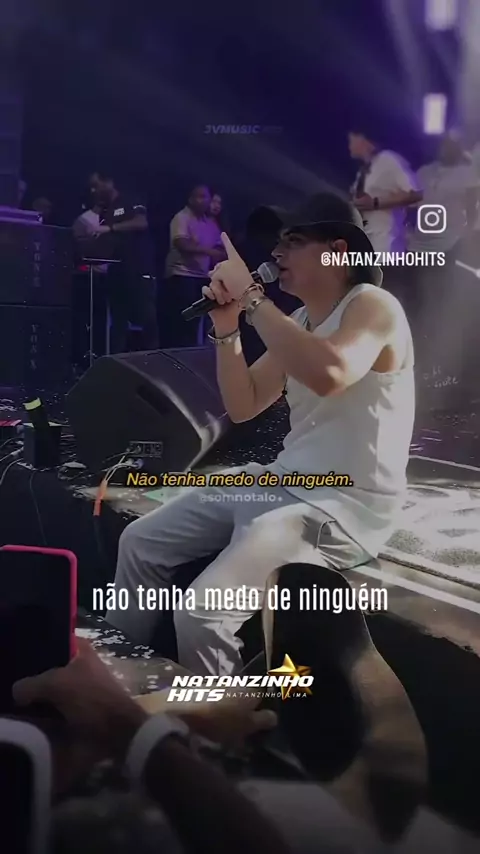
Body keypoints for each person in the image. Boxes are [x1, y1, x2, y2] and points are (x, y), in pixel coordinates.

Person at [108, 191, 415, 678]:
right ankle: (119, 682)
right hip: (284, 482)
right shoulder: (301, 321)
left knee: (202, 612)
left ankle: (220, 723)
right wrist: (226, 326)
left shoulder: (374, 305)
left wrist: (253, 300)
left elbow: (331, 373)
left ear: (337, 251)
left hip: (342, 505)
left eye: (292, 241)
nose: (275, 253)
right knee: (139, 541)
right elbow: (245, 403)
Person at [408, 132, 478, 333]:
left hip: (448, 245)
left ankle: (439, 336)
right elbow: (410, 201)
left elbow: (472, 208)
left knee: (439, 295)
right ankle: (416, 335)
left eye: (451, 144)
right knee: (416, 296)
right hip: (417, 246)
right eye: (443, 144)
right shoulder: (425, 172)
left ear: (459, 147)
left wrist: (467, 235)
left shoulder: (468, 174)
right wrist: (406, 228)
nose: (445, 148)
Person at [88, 171, 159, 353]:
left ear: (108, 181)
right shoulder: (105, 210)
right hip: (116, 272)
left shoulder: (131, 198)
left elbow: (141, 222)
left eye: (96, 185)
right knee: (117, 322)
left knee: (147, 318)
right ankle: (116, 361)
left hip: (139, 268)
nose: (93, 190)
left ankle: (152, 360)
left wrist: (110, 228)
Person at [160, 185, 225, 347]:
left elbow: (219, 245)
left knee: (196, 323)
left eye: (206, 197)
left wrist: (219, 252)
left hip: (202, 277)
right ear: (190, 199)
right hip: (181, 275)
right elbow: (181, 243)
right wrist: (208, 251)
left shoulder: (210, 223)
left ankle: (192, 353)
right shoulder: (182, 217)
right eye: (199, 197)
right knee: (182, 322)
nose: (204, 201)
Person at [348, 130, 421, 253]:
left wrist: (375, 203)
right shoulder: (363, 171)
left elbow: (415, 193)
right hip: (365, 246)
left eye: (352, 140)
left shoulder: (388, 160)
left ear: (363, 139)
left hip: (385, 247)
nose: (349, 145)